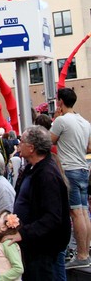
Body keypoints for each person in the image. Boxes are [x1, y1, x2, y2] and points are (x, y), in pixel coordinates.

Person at [11, 125, 70, 280]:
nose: (18, 145)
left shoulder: (47, 174)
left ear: (31, 148)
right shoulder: (32, 168)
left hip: (43, 248)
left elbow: (52, 217)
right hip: (32, 247)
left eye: (21, 141)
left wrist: (23, 233)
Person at [50, 87, 91, 269]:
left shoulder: (62, 121)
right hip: (83, 169)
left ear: (60, 102)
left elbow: (48, 141)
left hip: (69, 170)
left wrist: (56, 118)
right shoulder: (84, 121)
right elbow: (88, 147)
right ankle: (86, 252)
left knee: (76, 213)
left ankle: (81, 255)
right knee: (83, 212)